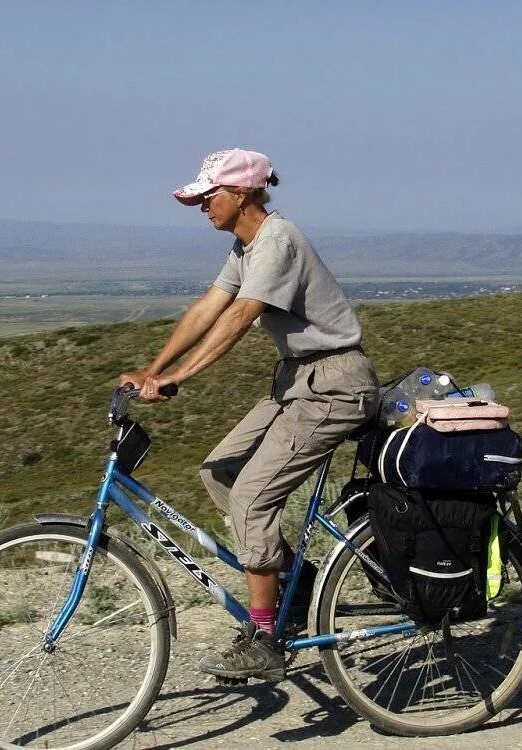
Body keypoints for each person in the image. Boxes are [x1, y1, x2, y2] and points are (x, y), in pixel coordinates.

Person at [119, 148, 378, 681]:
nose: (201, 207)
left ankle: (265, 637)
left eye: (207, 196)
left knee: (252, 497)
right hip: (297, 381)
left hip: (333, 386)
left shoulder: (278, 241)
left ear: (241, 194)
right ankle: (295, 583)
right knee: (219, 472)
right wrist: (153, 367)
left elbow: (240, 317)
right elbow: (208, 307)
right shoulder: (247, 245)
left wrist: (178, 378)